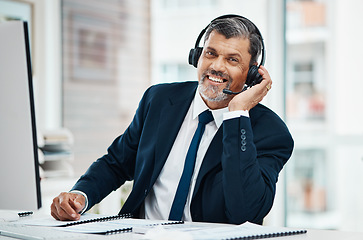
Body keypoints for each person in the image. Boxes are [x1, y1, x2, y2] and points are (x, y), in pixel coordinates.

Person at [51, 14, 293, 225]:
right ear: (197, 57)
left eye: (232, 60)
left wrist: (238, 113)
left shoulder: (271, 132)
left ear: (252, 73)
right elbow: (117, 162)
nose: (216, 66)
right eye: (210, 53)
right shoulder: (159, 100)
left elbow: (246, 210)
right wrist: (81, 195)